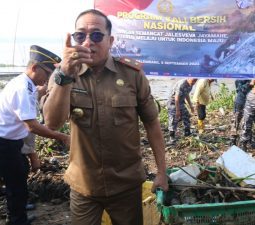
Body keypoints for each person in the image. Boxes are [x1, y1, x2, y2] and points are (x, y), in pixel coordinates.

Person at [42, 9, 168, 225]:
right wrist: (65, 76)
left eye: (96, 35)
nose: (88, 41)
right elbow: (53, 123)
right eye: (80, 36)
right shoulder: (63, 75)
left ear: (110, 41)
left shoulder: (132, 75)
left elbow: (152, 124)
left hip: (126, 185)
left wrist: (162, 173)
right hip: (84, 187)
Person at [0, 45, 70, 225]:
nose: (48, 79)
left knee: (19, 177)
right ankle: (18, 220)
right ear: (34, 68)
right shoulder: (22, 89)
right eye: (46, 73)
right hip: (5, 144)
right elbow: (32, 126)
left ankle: (19, 208)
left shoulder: (27, 85)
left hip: (13, 142)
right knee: (15, 184)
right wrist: (62, 137)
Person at [167, 78, 197, 143]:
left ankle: (187, 132)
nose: (194, 82)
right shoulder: (182, 84)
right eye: (193, 80)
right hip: (173, 102)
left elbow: (186, 94)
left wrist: (191, 105)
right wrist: (177, 111)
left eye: (195, 81)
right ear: (189, 78)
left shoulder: (190, 84)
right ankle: (172, 137)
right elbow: (176, 98)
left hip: (180, 102)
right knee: (174, 118)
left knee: (186, 115)